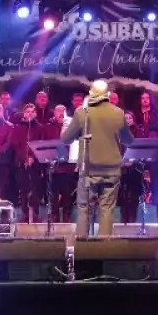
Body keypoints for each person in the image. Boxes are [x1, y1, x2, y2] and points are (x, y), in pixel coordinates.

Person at [61, 80, 134, 237]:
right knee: (107, 210)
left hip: (88, 171)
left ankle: (82, 252)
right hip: (112, 171)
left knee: (84, 210)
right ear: (107, 94)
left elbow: (66, 139)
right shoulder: (118, 113)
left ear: (91, 93)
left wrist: (66, 125)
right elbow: (129, 140)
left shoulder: (82, 113)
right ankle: (103, 251)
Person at [9, 103, 44, 222]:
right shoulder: (17, 127)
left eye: (32, 112)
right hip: (21, 162)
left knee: (35, 188)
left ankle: (35, 214)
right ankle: (24, 214)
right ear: (24, 114)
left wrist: (32, 157)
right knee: (23, 189)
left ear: (35, 114)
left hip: (35, 163)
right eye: (27, 112)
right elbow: (15, 145)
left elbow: (40, 144)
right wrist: (25, 158)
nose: (30, 114)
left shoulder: (39, 127)